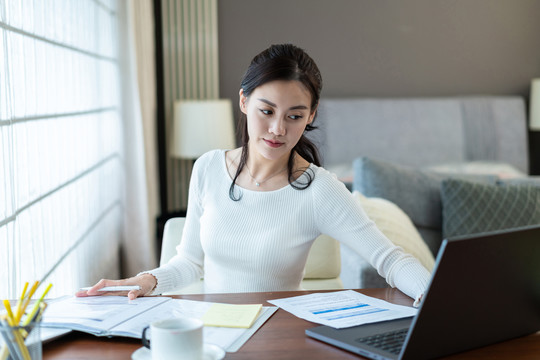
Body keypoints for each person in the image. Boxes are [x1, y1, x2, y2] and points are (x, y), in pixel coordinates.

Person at [77, 44, 430, 306]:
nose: (277, 129)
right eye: (267, 110)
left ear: (311, 115)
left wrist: (431, 294)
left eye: (294, 115)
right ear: (244, 101)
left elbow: (390, 259)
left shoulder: (320, 190)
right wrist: (146, 280)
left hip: (276, 338)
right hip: (213, 332)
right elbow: (189, 262)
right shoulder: (208, 168)